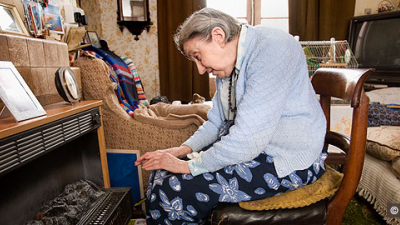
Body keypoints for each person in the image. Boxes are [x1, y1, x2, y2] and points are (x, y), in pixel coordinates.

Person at [135, 8, 327, 225]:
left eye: (198, 57)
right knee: (161, 173)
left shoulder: (273, 48)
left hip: (287, 160)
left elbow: (247, 141)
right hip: (256, 151)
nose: (199, 70)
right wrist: (182, 150)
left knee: (173, 187)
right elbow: (216, 122)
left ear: (218, 36)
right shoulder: (229, 65)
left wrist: (187, 166)